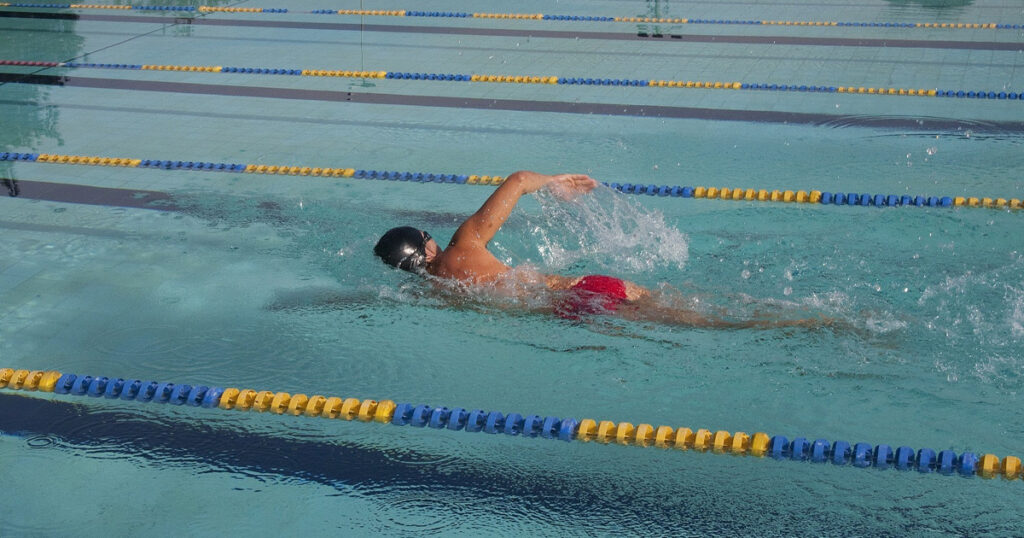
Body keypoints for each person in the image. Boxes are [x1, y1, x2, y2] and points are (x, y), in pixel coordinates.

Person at [374, 170, 832, 329]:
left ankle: (796, 322)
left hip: (566, 314)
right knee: (706, 312)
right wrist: (555, 184)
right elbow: (515, 181)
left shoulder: (430, 295)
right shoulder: (461, 246)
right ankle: (807, 319)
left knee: (699, 325)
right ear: (427, 245)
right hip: (588, 288)